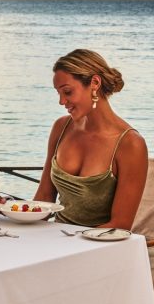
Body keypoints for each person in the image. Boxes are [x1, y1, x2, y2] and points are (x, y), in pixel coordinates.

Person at [34, 49, 148, 229]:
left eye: (68, 92)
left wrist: (71, 244)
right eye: (59, 93)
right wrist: (9, 213)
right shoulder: (61, 128)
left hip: (100, 248)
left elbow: (120, 225)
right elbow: (44, 198)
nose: (62, 101)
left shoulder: (130, 144)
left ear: (95, 83)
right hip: (56, 242)